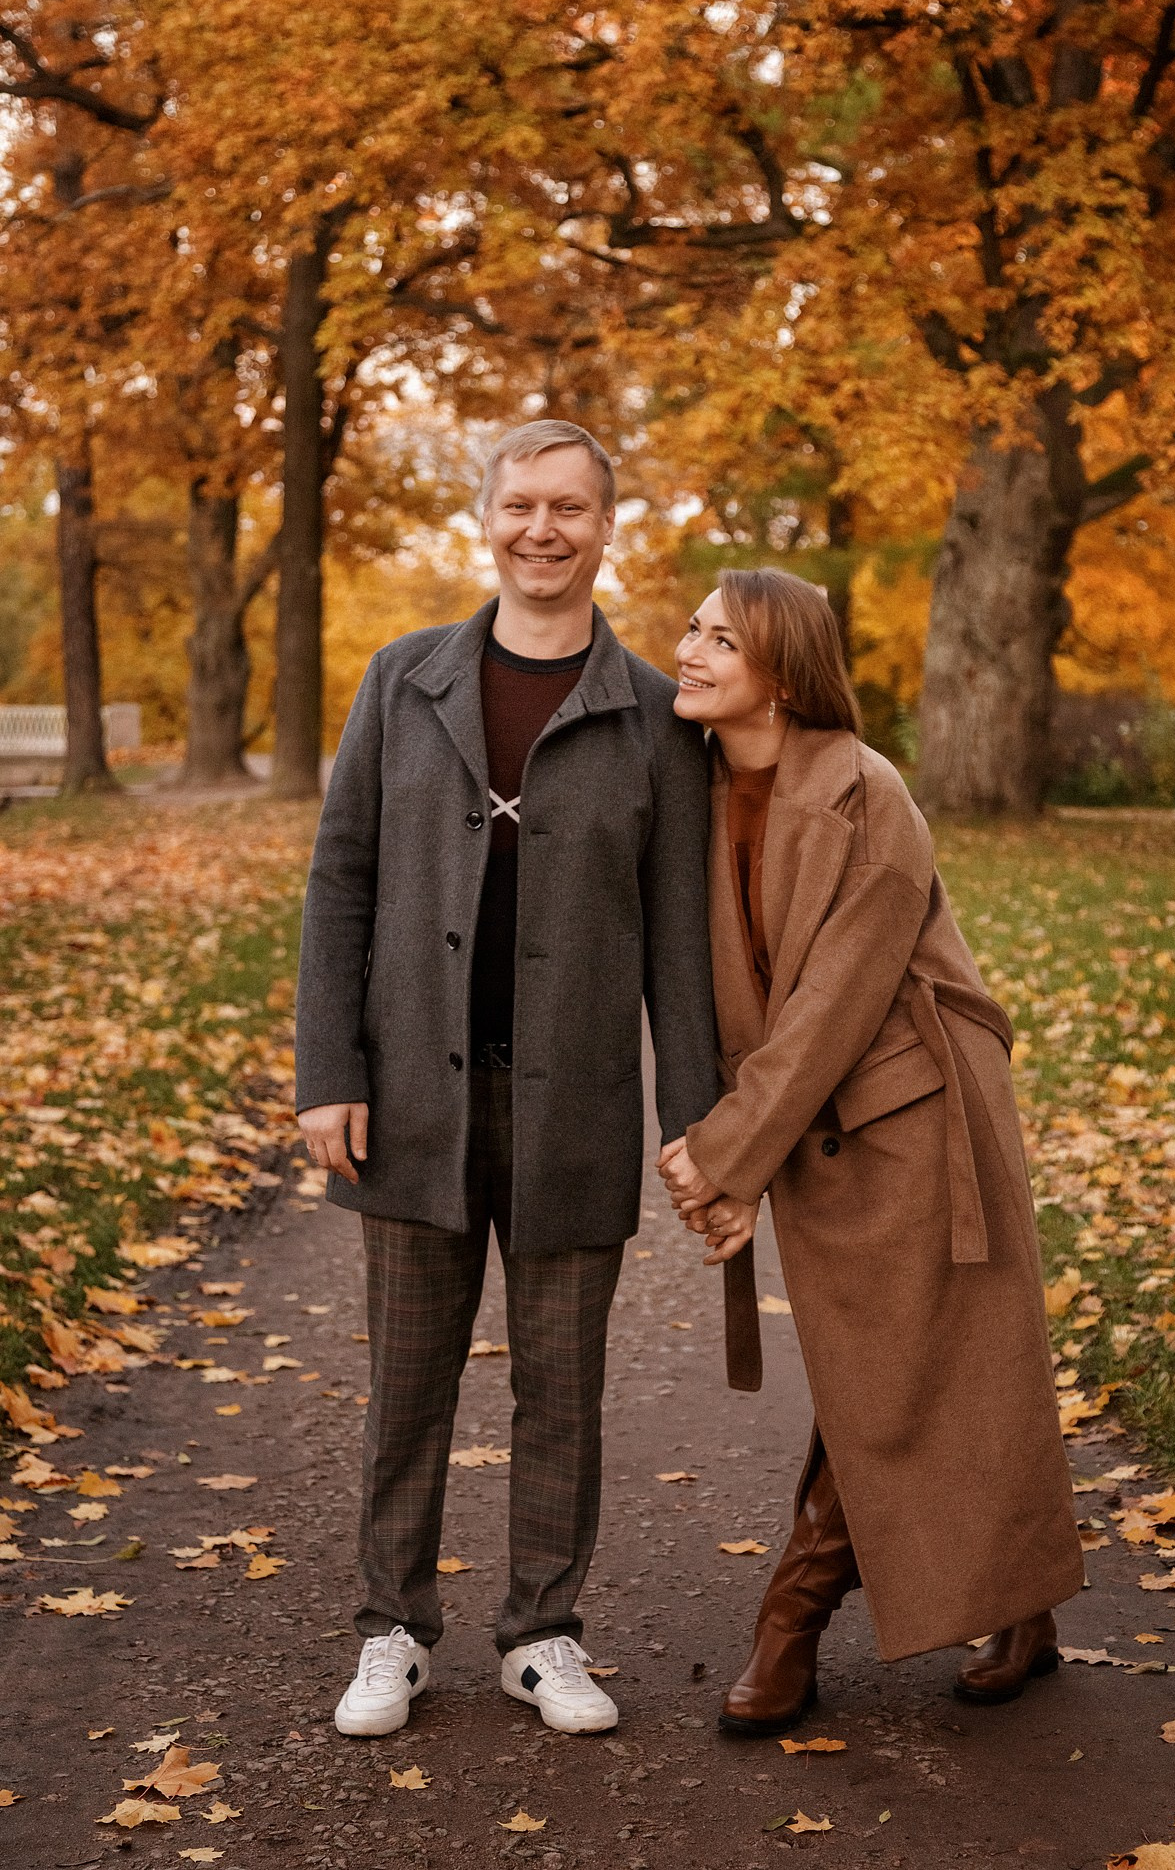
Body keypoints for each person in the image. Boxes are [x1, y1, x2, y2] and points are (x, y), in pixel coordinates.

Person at [294, 420, 717, 1739]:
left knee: (561, 1387)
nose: (544, 530)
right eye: (522, 504)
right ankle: (391, 1630)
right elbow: (340, 879)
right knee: (408, 1383)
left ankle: (543, 1634)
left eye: (569, 508)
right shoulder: (402, 679)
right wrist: (327, 1071)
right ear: (487, 517)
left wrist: (694, 1122)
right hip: (413, 1103)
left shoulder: (654, 712)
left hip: (572, 1108)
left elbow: (680, 943)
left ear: (605, 527)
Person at [659, 566, 1083, 1738]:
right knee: (906, 1366)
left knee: (904, 1366)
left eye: (721, 640)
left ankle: (791, 1618)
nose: (688, 651)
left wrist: (726, 1154)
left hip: (917, 1108)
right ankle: (1025, 1605)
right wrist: (728, 1153)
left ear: (782, 676)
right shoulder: (693, 787)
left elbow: (837, 999)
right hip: (812, 1115)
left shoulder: (865, 791)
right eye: (689, 629)